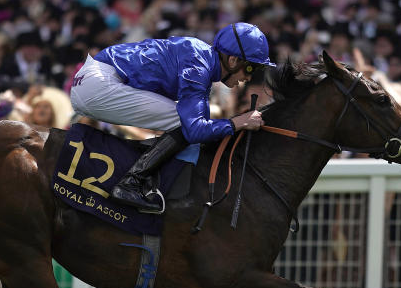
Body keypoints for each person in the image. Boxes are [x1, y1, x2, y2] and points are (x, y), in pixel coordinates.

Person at [69, 22, 273, 213]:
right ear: (233, 60)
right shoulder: (198, 65)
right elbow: (194, 130)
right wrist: (237, 122)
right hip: (97, 83)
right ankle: (131, 182)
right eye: (250, 68)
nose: (248, 78)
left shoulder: (200, 58)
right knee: (185, 123)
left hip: (93, 79)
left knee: (190, 119)